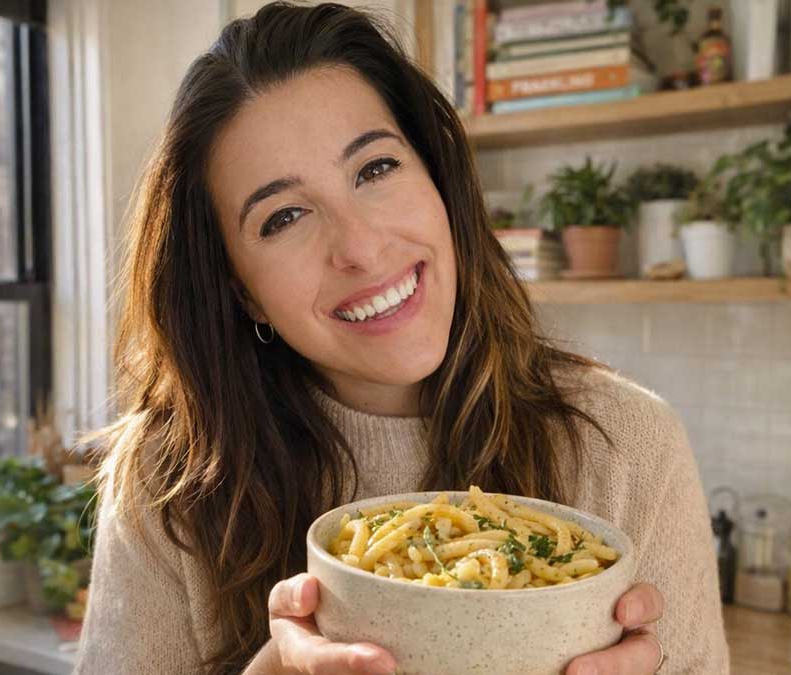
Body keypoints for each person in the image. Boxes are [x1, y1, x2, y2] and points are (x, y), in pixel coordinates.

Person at [75, 3, 729, 674]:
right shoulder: (169, 478)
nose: (360, 246)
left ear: (439, 178)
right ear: (240, 288)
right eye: (285, 216)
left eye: (376, 169)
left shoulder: (628, 444)